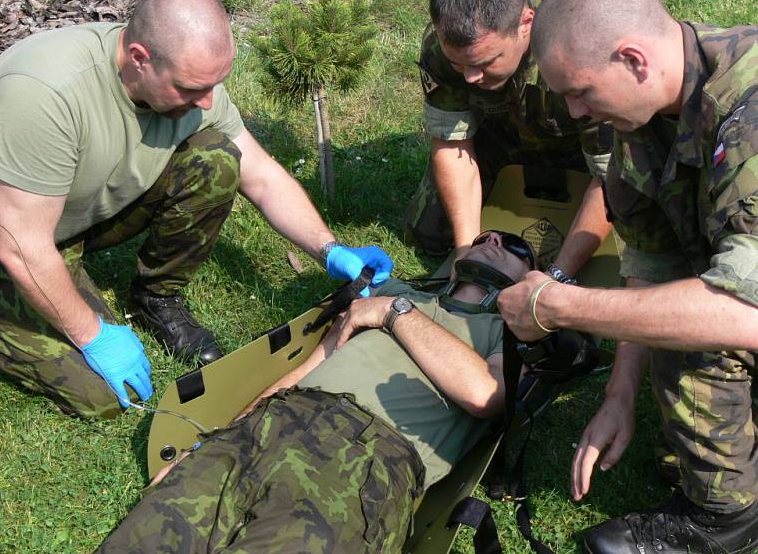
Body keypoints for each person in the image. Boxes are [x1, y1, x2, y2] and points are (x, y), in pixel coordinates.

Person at [0, 0, 393, 419]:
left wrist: (329, 250)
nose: (207, 102)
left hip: (72, 216)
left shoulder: (189, 77)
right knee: (104, 395)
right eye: (191, 89)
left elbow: (262, 175)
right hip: (3, 242)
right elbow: (22, 246)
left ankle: (155, 300)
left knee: (216, 157)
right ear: (139, 58)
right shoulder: (45, 95)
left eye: (215, 85)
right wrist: (94, 336)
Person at [497, 0, 758, 554]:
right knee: (673, 366)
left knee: (692, 333)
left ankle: (722, 525)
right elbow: (650, 258)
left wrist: (558, 305)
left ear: (633, 59)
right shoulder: (641, 113)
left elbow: (745, 314)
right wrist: (619, 394)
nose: (575, 113)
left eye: (580, 92)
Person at [95, 230, 534, 553]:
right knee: (144, 538)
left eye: (514, 246)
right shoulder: (402, 292)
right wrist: (214, 440)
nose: (493, 239)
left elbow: (485, 395)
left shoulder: (507, 335)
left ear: (530, 279)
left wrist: (392, 312)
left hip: (362, 462)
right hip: (268, 427)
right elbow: (311, 365)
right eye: (485, 235)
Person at [402, 0, 613, 284]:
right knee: (430, 233)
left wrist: (558, 276)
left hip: (581, 141)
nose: (471, 77)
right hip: (503, 126)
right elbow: (451, 142)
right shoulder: (444, 44)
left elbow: (612, 178)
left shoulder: (586, 46)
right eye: (459, 65)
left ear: (525, 24)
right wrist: (466, 253)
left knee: (630, 237)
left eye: (485, 63)